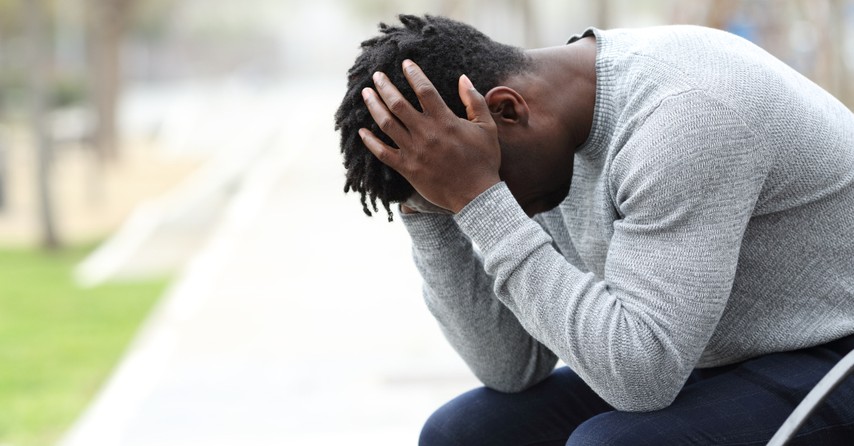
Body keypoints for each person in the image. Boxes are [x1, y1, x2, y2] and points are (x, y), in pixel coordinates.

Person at [333, 14, 854, 445]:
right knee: (464, 432)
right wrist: (431, 214)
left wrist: (480, 198)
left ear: (505, 110)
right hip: (698, 353)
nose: (484, 203)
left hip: (834, 354)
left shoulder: (686, 116)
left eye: (478, 183)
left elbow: (641, 377)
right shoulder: (539, 136)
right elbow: (514, 367)